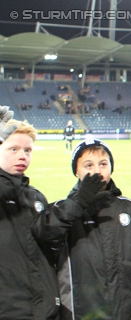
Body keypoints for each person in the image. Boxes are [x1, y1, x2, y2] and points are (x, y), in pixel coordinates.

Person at [33, 139, 131, 319]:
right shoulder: (61, 210)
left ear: (111, 167)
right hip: (80, 312)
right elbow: (45, 234)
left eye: (103, 164)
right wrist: (78, 202)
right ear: (76, 171)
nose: (97, 171)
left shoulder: (130, 209)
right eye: (88, 165)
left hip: (127, 312)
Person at [0, 107, 60, 319]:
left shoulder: (36, 198)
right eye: (13, 149)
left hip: (40, 307)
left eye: (28, 150)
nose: (22, 156)